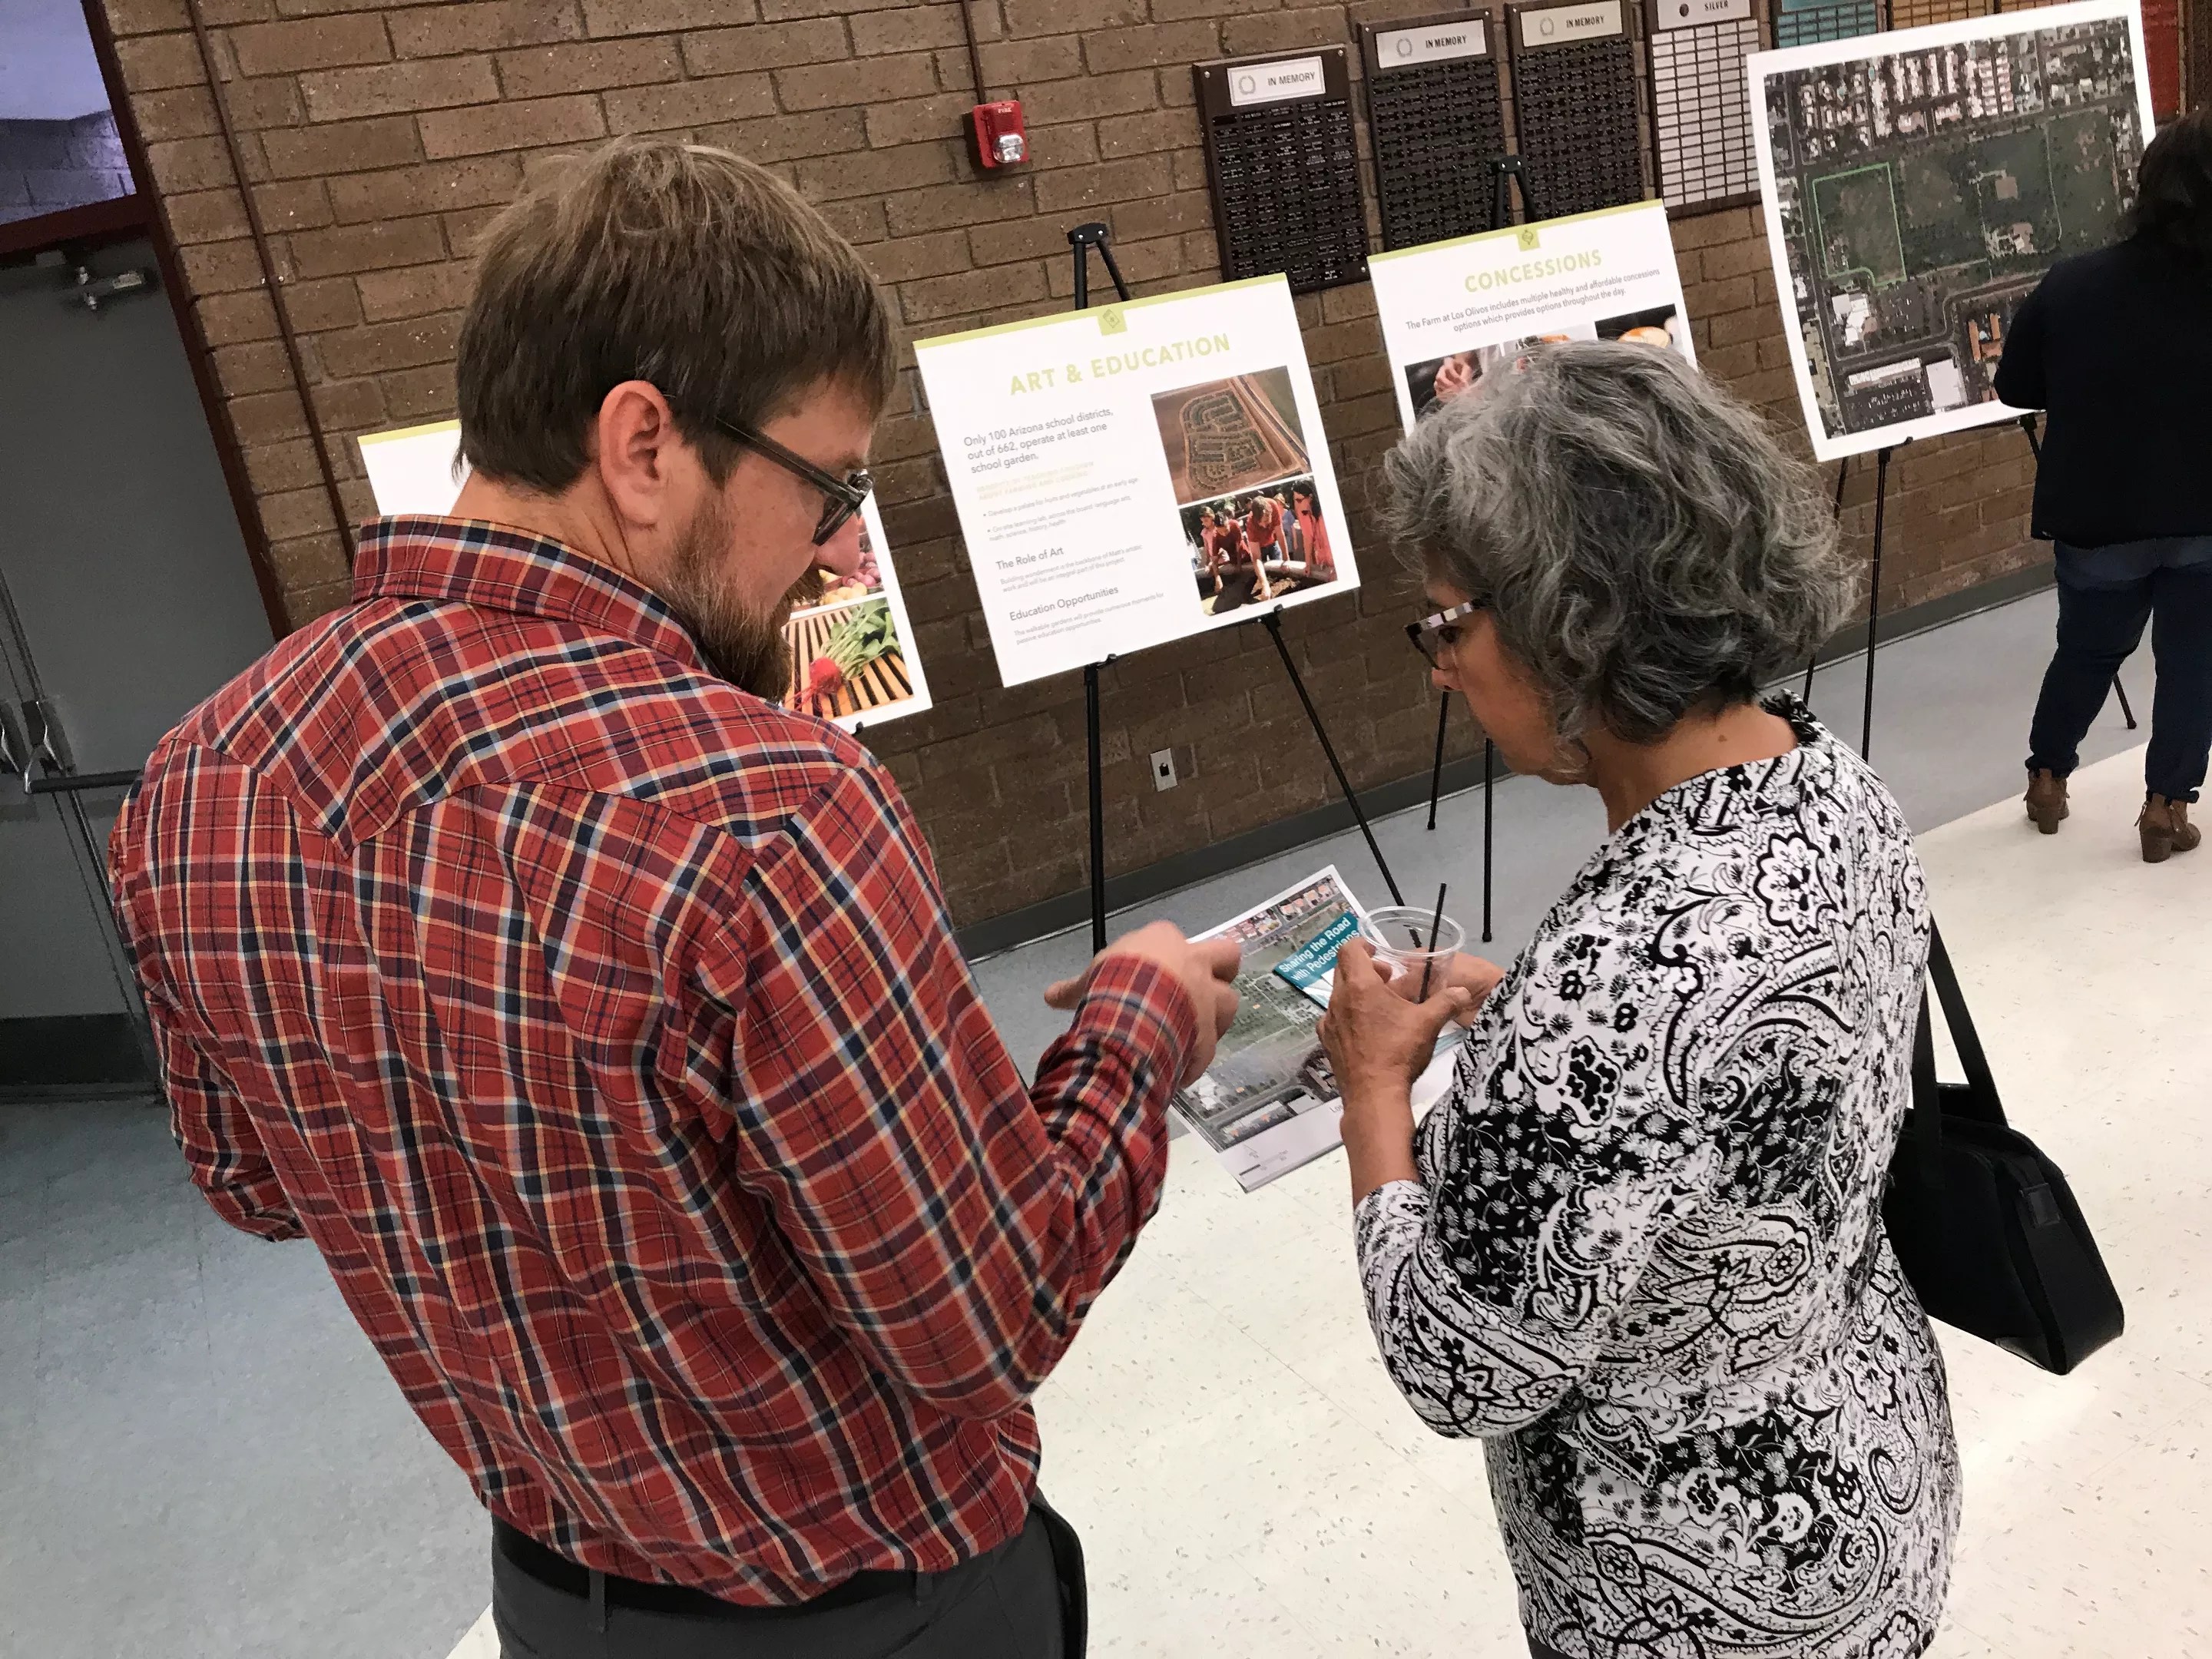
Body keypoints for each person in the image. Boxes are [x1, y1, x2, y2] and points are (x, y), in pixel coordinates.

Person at [106, 137, 1240, 1659]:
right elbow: (989, 1320)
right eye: (830, 486)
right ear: (644, 444)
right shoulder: (771, 812)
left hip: (551, 1599)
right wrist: (1135, 1028)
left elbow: (253, 1182)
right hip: (875, 1620)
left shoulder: (196, 783)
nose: (840, 550)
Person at [1316, 343, 1958, 1659]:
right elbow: (1733, 1089)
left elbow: (1461, 1366)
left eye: (1448, 624)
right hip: (1868, 1476)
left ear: (1570, 620)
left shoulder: (1606, 987)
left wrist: (1373, 1091)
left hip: (1685, 1589)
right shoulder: (1833, 783)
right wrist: (1533, 1018)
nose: (1437, 666)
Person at [1997, 106, 2212, 862]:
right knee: (2193, 662)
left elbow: (2014, 386)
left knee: (2087, 652)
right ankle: (2165, 807)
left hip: (2096, 516)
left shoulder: (2073, 283)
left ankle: (2047, 778)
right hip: (2204, 518)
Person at [1290, 482, 1333, 581]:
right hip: (1322, 558)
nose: (1296, 504)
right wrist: (1308, 564)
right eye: (1294, 500)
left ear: (1310, 497)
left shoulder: (1326, 511)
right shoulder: (1303, 512)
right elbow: (1307, 537)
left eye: (1299, 500)